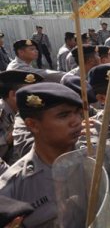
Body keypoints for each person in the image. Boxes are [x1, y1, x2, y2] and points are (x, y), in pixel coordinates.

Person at [0, 82, 83, 227]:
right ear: (33, 125)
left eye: (77, 112)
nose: (76, 121)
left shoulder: (94, 159)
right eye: (63, 115)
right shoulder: (13, 189)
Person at [0, 70, 44, 164]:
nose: (35, 98)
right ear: (13, 95)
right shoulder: (2, 113)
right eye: (30, 95)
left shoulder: (24, 111)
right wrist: (7, 139)